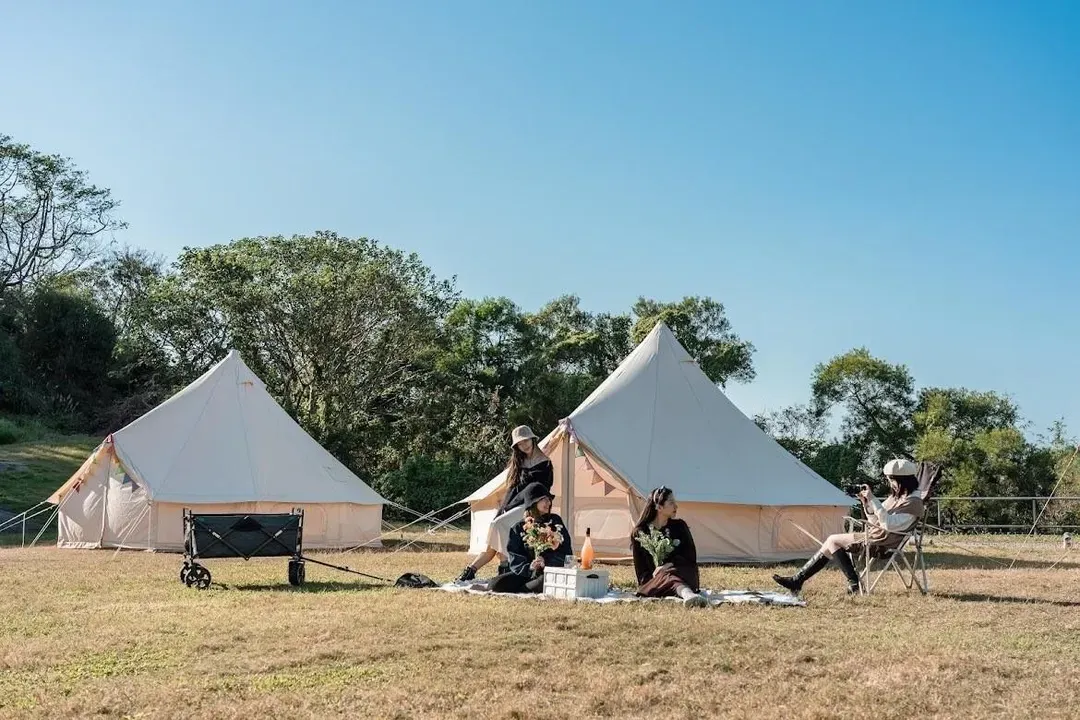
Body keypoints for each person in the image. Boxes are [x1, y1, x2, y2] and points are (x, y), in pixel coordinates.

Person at [773, 458, 925, 595]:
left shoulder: (913, 503)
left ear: (903, 480)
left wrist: (873, 499)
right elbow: (875, 520)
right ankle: (798, 580)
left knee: (832, 540)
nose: (890, 483)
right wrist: (866, 503)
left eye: (892, 479)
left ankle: (852, 583)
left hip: (883, 544)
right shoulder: (896, 498)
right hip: (876, 537)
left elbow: (888, 524)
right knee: (831, 541)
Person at [455, 425, 553, 582]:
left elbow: (541, 491)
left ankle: (505, 564)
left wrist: (516, 507)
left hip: (532, 506)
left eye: (526, 441)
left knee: (498, 525)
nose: (524, 445)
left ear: (532, 440)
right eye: (520, 444)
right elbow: (512, 490)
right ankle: (471, 570)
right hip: (515, 504)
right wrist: (504, 508)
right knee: (495, 530)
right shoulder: (519, 463)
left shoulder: (545, 463)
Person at [631, 486, 708, 608]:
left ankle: (687, 593)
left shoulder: (680, 526)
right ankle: (688, 595)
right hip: (655, 581)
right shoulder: (641, 533)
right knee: (666, 576)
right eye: (671, 503)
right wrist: (656, 574)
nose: (676, 506)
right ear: (659, 507)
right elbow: (640, 569)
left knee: (670, 574)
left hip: (682, 572)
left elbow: (690, 557)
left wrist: (668, 565)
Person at [488, 482, 572, 594]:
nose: (548, 502)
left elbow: (566, 552)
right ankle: (527, 587)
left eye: (549, 499)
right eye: (544, 499)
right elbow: (515, 556)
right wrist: (530, 567)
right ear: (533, 502)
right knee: (495, 584)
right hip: (526, 573)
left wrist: (545, 561)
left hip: (547, 572)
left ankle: (524, 589)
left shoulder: (555, 522)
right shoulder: (518, 528)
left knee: (543, 581)